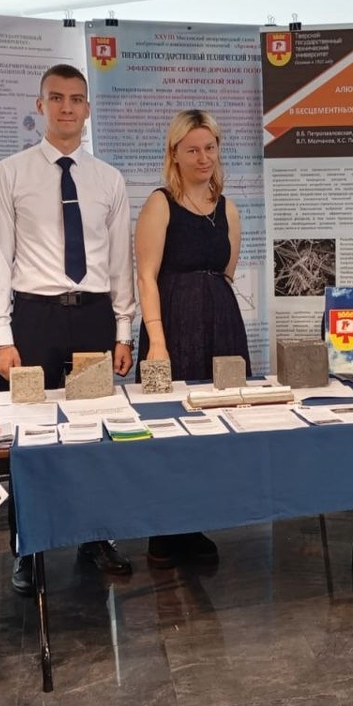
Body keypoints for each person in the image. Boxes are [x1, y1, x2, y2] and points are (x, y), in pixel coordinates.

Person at [0, 64, 137, 590]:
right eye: (56, 98)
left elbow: (119, 262)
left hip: (93, 317)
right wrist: (1, 337)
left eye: (76, 98)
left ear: (88, 108)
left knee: (93, 430)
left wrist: (123, 329)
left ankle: (95, 535)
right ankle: (29, 546)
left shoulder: (108, 179)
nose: (67, 107)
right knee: (31, 436)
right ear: (40, 105)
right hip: (36, 319)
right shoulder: (10, 173)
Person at [135, 109, 248, 568]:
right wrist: (157, 341)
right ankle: (163, 530)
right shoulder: (160, 203)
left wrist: (215, 313)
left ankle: (194, 521)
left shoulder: (229, 209)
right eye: (193, 149)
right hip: (172, 327)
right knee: (168, 427)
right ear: (175, 154)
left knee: (214, 426)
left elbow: (226, 273)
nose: (203, 158)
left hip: (221, 325)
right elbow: (146, 276)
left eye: (210, 148)